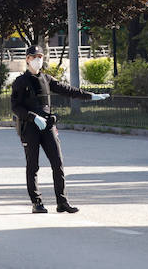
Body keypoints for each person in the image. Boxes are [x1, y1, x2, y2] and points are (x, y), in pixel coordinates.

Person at [10, 45, 110, 214]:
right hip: (30, 127)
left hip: (47, 126)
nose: (38, 60)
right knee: (33, 166)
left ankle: (62, 202)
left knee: (58, 163)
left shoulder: (46, 79)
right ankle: (37, 203)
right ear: (27, 59)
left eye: (40, 56)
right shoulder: (20, 82)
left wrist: (90, 96)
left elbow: (67, 90)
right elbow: (15, 107)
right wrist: (32, 117)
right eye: (34, 57)